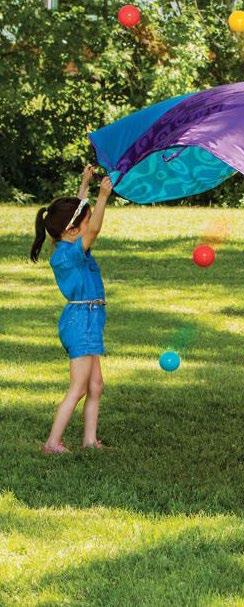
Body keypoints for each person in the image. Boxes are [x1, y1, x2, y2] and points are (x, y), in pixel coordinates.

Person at [30, 165, 112, 453]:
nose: (89, 227)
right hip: (81, 321)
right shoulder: (69, 255)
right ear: (72, 230)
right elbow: (94, 228)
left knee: (96, 385)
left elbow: (78, 216)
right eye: (85, 224)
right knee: (79, 387)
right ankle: (52, 442)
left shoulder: (69, 242)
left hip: (88, 319)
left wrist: (85, 184)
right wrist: (103, 196)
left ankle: (90, 441)